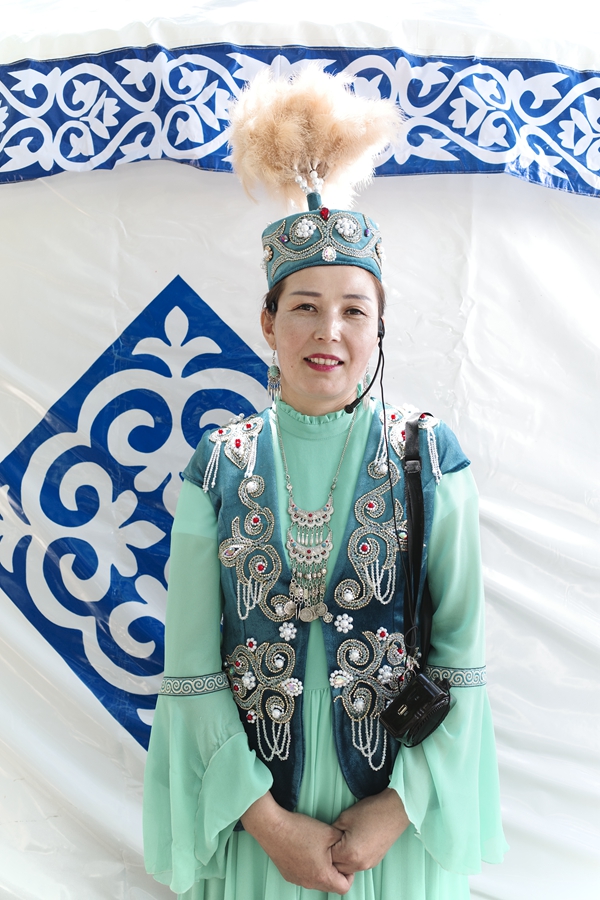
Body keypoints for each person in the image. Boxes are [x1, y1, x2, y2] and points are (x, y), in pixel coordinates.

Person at [143, 69, 507, 899]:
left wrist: (397, 810)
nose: (329, 331)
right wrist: (270, 826)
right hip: (256, 821)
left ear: (380, 327)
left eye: (354, 310)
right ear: (267, 322)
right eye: (305, 306)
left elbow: (463, 661)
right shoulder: (218, 464)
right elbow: (190, 671)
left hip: (396, 818)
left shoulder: (427, 456)